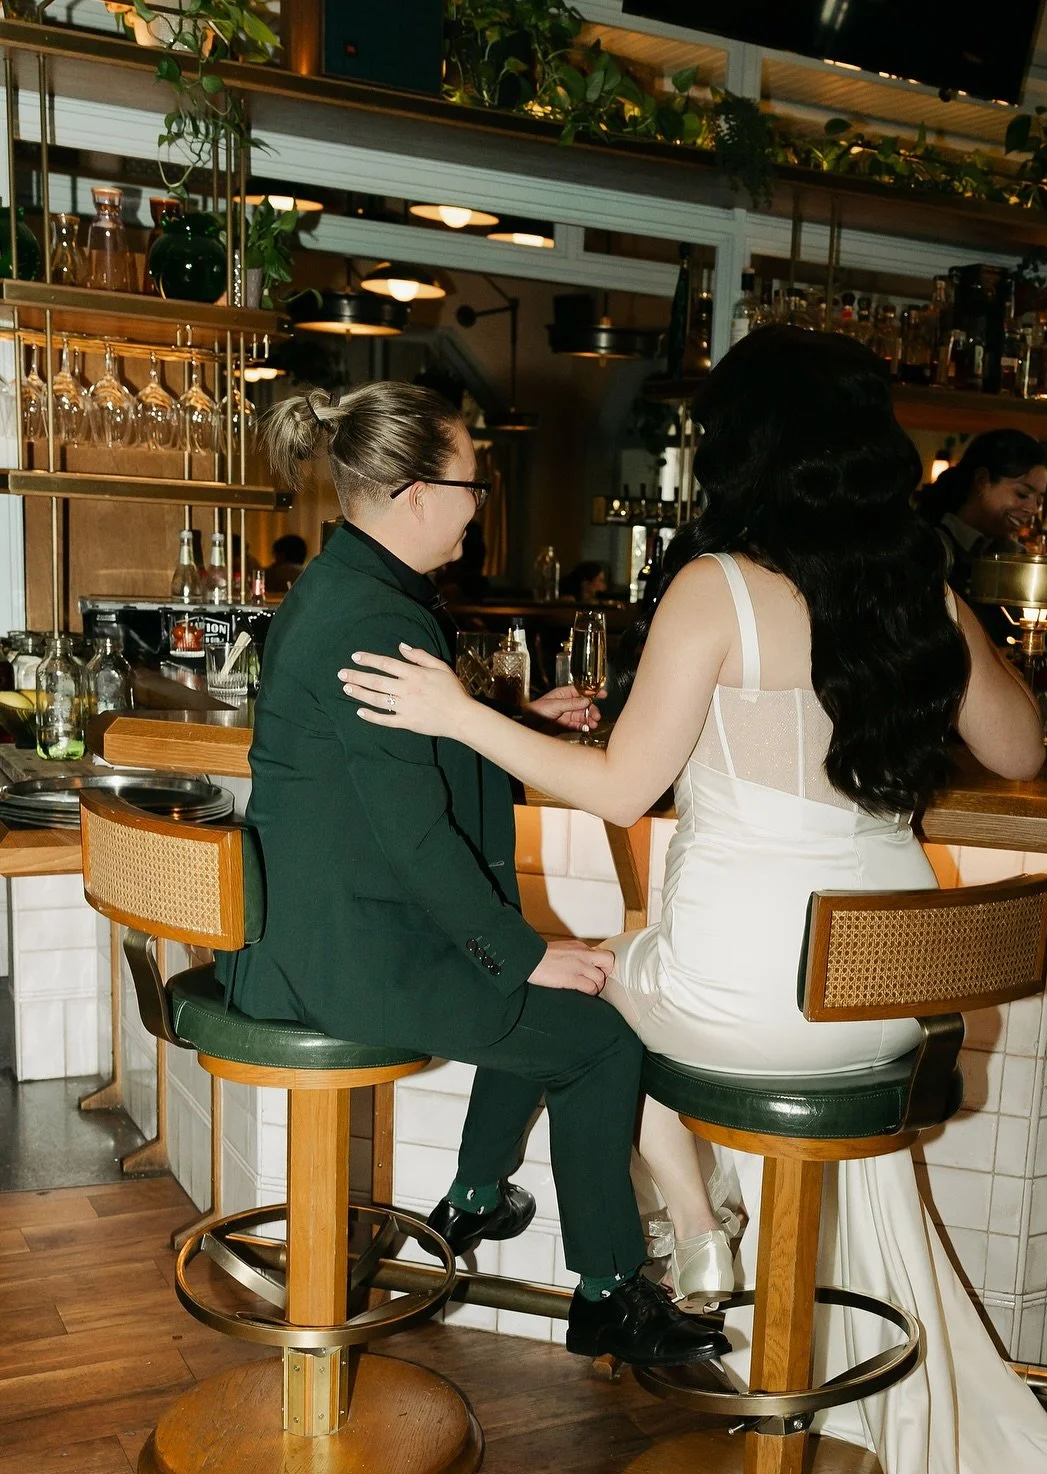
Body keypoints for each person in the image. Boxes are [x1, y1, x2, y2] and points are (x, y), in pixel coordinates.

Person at [339, 329, 1047, 1474]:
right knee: (626, 977)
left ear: (741, 449)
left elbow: (626, 787)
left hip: (755, 992)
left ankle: (703, 1233)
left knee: (583, 986)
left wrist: (460, 712)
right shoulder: (912, 581)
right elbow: (1021, 754)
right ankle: (718, 1237)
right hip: (890, 1012)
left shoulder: (718, 590)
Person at [219, 380, 727, 1372]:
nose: (479, 500)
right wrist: (522, 953)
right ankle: (608, 1293)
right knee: (596, 1038)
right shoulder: (373, 619)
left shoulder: (355, 591)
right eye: (471, 483)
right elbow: (413, 838)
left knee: (547, 992)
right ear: (413, 493)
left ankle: (480, 1197)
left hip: (326, 928)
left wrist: (524, 723)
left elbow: (401, 766)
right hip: (347, 951)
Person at [918, 430, 1047, 643]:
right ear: (982, 480)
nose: (1032, 508)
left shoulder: (1013, 554)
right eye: (1022, 494)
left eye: (1039, 500)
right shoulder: (932, 545)